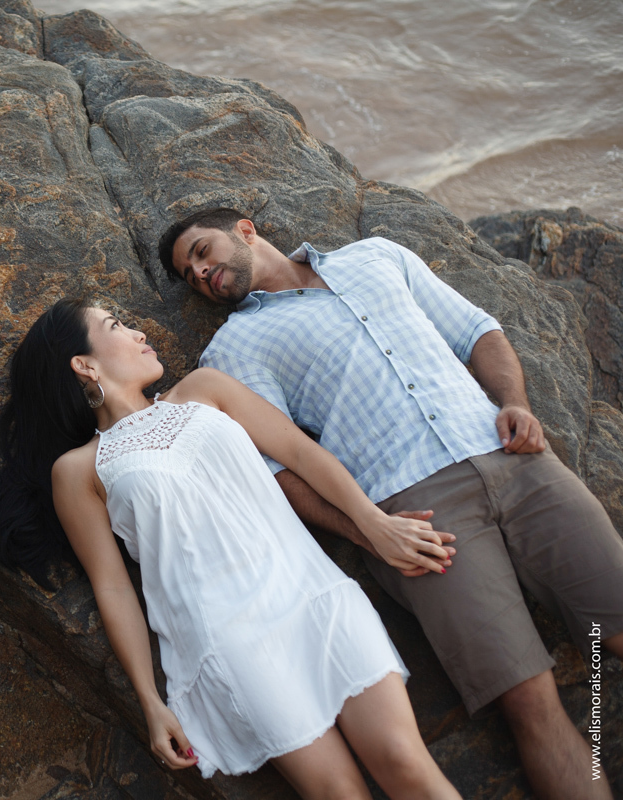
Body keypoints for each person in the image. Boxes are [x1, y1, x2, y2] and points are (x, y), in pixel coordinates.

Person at [159, 208, 623, 800]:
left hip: (516, 460)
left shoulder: (377, 255)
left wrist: (516, 402)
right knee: (529, 699)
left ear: (244, 230)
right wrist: (368, 532)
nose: (200, 272)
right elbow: (281, 470)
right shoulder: (234, 350)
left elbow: (476, 329)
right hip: (420, 517)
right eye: (188, 273)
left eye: (201, 251)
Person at [0, 298, 461, 799]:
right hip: (231, 645)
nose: (138, 332)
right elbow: (113, 587)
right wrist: (150, 700)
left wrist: (373, 522)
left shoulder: (205, 389)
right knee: (339, 794)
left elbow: (298, 451)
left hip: (315, 596)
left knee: (405, 761)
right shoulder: (79, 470)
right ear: (84, 364)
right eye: (115, 325)